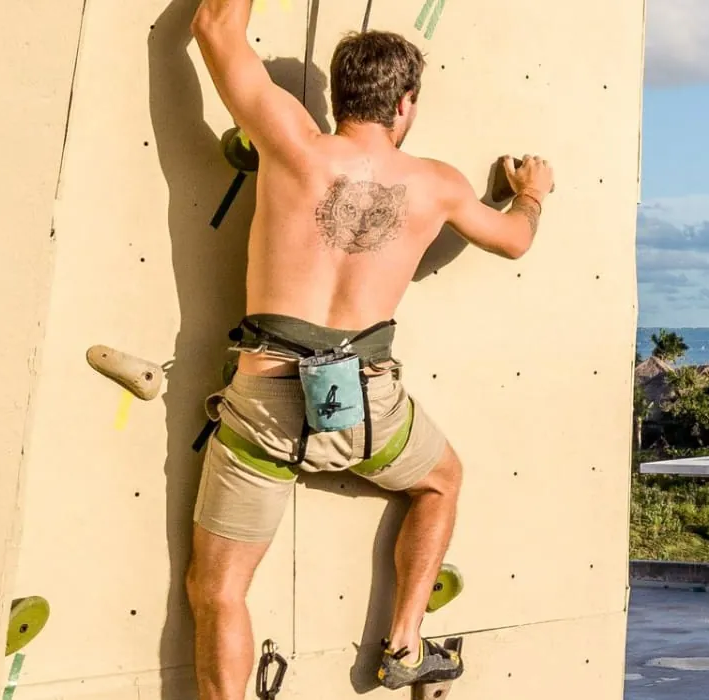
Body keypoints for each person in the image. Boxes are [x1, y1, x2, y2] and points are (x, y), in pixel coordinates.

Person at [184, 1, 554, 696]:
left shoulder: (290, 142)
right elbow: (515, 239)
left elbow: (213, 26)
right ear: (405, 104)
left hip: (263, 403)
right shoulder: (437, 183)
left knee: (217, 590)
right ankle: (405, 645)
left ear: (340, 92)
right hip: (366, 406)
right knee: (440, 482)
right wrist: (531, 193)